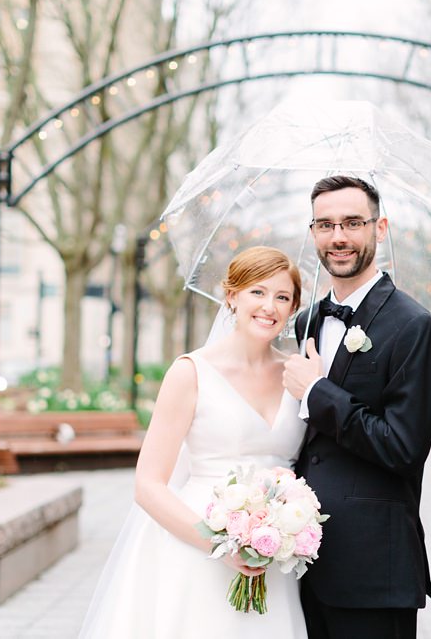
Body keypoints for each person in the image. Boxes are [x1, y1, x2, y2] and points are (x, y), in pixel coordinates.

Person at [80, 246, 309, 638]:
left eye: (282, 297)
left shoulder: (298, 375)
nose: (269, 306)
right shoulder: (191, 373)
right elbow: (148, 485)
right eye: (257, 291)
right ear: (231, 296)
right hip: (198, 546)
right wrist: (220, 544)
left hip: (275, 556)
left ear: (292, 309)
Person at [283, 175, 431, 639]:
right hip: (302, 561)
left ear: (380, 228)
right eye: (325, 225)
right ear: (313, 232)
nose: (338, 237)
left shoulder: (412, 325)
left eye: (353, 222)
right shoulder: (306, 320)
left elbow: (404, 447)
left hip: (374, 569)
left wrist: (318, 394)